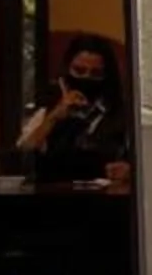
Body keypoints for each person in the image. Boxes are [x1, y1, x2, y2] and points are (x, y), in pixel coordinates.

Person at [18, 34, 131, 184]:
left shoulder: (123, 114)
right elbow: (25, 154)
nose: (86, 77)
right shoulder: (49, 107)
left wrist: (128, 170)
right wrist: (54, 117)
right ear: (67, 69)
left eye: (95, 73)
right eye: (79, 70)